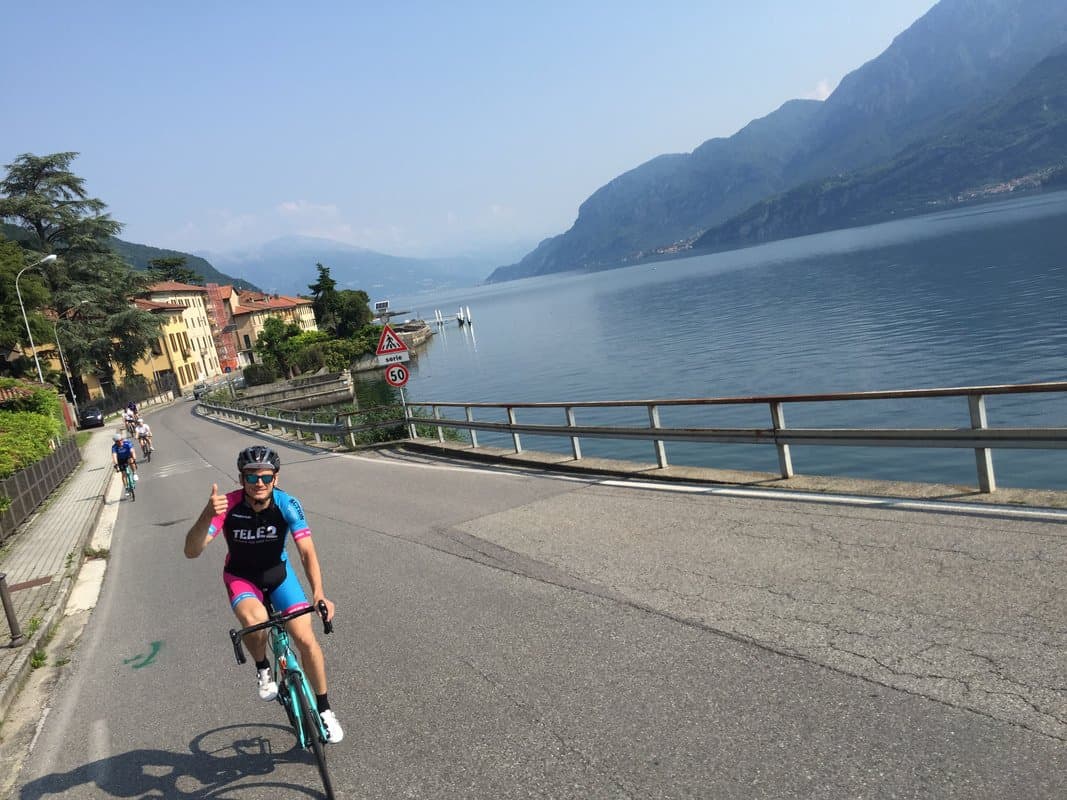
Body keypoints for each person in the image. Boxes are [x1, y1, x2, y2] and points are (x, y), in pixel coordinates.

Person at [183, 444, 344, 743]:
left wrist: (319, 593)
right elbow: (191, 552)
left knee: (306, 639)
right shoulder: (227, 507)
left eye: (265, 477)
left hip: (279, 577)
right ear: (241, 478)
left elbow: (306, 551)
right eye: (251, 477)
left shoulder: (287, 505)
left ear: (276, 479)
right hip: (242, 578)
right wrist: (206, 515)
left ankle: (324, 710)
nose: (259, 483)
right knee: (255, 623)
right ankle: (262, 667)